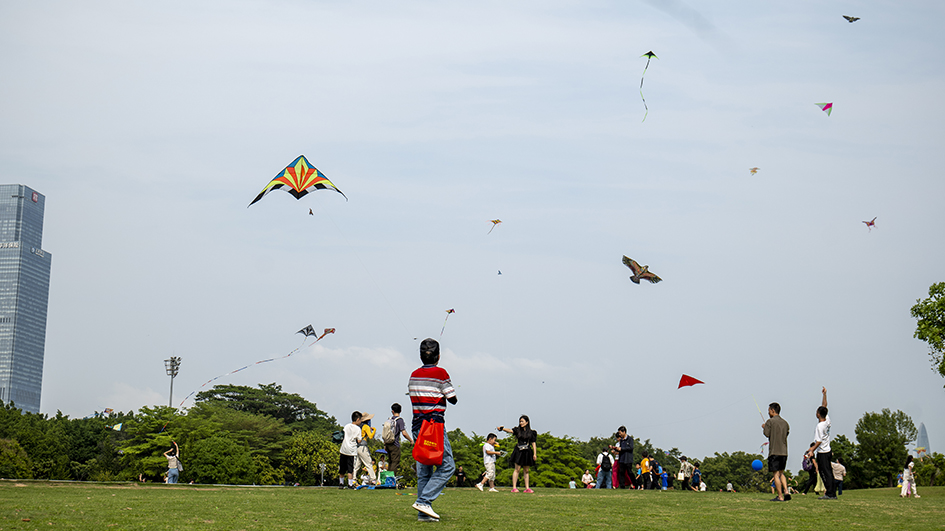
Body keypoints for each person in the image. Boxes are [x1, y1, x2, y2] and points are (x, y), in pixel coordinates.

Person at [408, 338, 457, 522]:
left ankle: (423, 514)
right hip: (433, 426)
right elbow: (452, 398)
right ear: (438, 356)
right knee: (448, 466)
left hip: (417, 426)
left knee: (424, 472)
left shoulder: (413, 375)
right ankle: (423, 501)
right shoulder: (441, 373)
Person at [804, 387, 837, 500]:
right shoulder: (827, 421)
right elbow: (825, 406)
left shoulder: (819, 426)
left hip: (822, 452)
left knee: (824, 473)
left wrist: (811, 450)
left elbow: (818, 441)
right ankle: (832, 493)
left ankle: (830, 494)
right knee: (829, 472)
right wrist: (824, 394)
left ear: (818, 414)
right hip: (828, 451)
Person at [498, 415, 537, 493]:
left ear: (527, 422)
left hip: (527, 451)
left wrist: (535, 454)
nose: (521, 423)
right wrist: (502, 429)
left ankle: (527, 488)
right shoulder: (518, 430)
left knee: (526, 470)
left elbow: (533, 443)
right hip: (519, 451)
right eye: (520, 421)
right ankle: (514, 487)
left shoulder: (532, 432)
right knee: (517, 469)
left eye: (522, 421)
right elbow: (510, 430)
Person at [762, 401, 790, 501]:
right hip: (784, 451)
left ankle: (780, 496)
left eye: (769, 410)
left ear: (773, 410)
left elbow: (767, 434)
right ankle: (786, 491)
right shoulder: (785, 423)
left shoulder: (770, 422)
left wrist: (764, 427)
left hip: (774, 451)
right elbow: (786, 434)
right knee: (781, 473)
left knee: (776, 474)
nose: (768, 412)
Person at [383, 403, 413, 477]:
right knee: (395, 462)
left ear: (392, 411)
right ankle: (391, 479)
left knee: (390, 462)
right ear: (400, 411)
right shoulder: (399, 420)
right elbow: (404, 433)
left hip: (388, 444)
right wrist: (410, 440)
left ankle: (388, 479)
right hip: (394, 444)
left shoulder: (389, 420)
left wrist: (385, 444)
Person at [339, 411, 364, 489]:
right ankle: (350, 484)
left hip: (343, 449)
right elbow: (359, 440)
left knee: (342, 467)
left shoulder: (347, 426)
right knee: (350, 468)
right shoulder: (358, 429)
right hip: (351, 450)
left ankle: (341, 483)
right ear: (358, 419)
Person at [355, 413, 377, 485]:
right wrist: (374, 430)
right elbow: (370, 436)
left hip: (357, 447)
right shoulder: (365, 426)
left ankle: (353, 479)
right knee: (369, 463)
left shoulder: (358, 427)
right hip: (363, 447)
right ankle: (373, 479)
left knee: (357, 464)